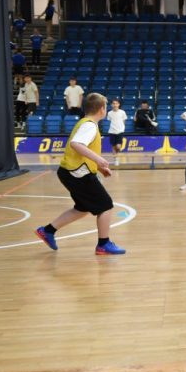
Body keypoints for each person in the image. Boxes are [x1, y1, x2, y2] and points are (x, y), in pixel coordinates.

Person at [35, 93, 126, 255]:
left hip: (69, 171)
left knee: (82, 208)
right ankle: (103, 244)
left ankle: (47, 231)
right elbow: (76, 144)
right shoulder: (89, 125)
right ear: (102, 109)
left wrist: (99, 167)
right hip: (77, 173)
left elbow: (83, 151)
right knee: (106, 206)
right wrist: (99, 160)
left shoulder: (85, 123)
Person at [106, 99, 127, 167]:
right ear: (112, 105)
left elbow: (124, 121)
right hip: (112, 131)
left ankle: (117, 156)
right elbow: (109, 120)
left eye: (116, 103)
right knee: (113, 146)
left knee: (118, 146)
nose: (115, 105)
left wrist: (122, 128)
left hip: (120, 131)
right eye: (113, 103)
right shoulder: (109, 113)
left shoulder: (122, 112)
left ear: (119, 104)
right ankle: (116, 159)